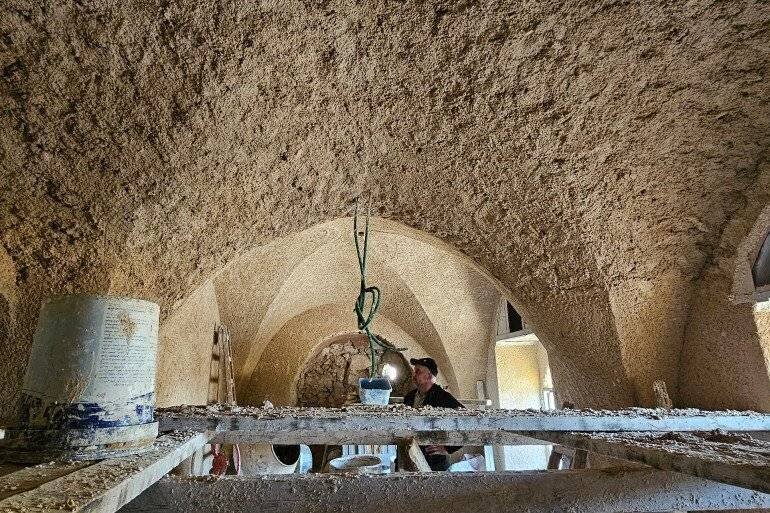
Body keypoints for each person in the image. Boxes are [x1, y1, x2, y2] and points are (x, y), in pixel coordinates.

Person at [403, 357, 464, 470]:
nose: (414, 374)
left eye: (418, 372)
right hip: (410, 453)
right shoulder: (409, 397)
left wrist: (448, 448)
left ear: (430, 376)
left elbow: (466, 421)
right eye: (414, 371)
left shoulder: (443, 397)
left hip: (433, 460)